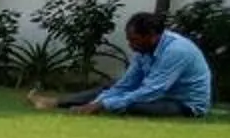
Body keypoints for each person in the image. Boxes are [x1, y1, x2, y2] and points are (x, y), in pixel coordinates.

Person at [29, 12, 213, 116]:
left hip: (184, 105)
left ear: (151, 36)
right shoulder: (144, 50)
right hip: (159, 96)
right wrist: (98, 102)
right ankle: (56, 103)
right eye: (129, 39)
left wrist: (103, 105)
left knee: (126, 105)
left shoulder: (176, 51)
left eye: (134, 40)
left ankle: (77, 106)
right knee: (111, 87)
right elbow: (126, 84)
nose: (130, 45)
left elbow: (152, 90)